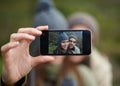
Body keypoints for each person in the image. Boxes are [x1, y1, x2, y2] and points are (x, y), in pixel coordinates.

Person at [67, 12, 113, 86]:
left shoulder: (100, 67)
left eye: (86, 40)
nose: (78, 44)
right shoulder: (56, 57)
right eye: (75, 35)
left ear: (93, 44)